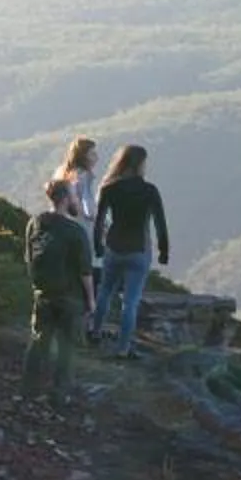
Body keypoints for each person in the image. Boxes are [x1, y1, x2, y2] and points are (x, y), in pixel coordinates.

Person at [92, 143, 170, 358]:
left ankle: (95, 332)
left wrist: (98, 246)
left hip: (114, 247)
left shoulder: (109, 188)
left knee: (105, 292)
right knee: (130, 302)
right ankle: (123, 348)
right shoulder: (149, 190)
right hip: (139, 250)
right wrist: (164, 251)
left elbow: (99, 222)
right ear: (140, 164)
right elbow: (160, 223)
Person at [21, 177, 92, 401]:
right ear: (66, 199)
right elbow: (85, 271)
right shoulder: (75, 231)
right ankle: (60, 394)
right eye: (73, 194)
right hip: (70, 296)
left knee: (39, 341)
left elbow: (28, 258)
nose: (76, 198)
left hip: (43, 292)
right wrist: (91, 300)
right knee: (66, 346)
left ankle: (29, 390)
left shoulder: (35, 223)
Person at [56, 135, 102, 228]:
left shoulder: (63, 174)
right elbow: (89, 209)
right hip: (83, 225)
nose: (97, 157)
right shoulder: (84, 176)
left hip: (66, 223)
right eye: (92, 154)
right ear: (83, 157)